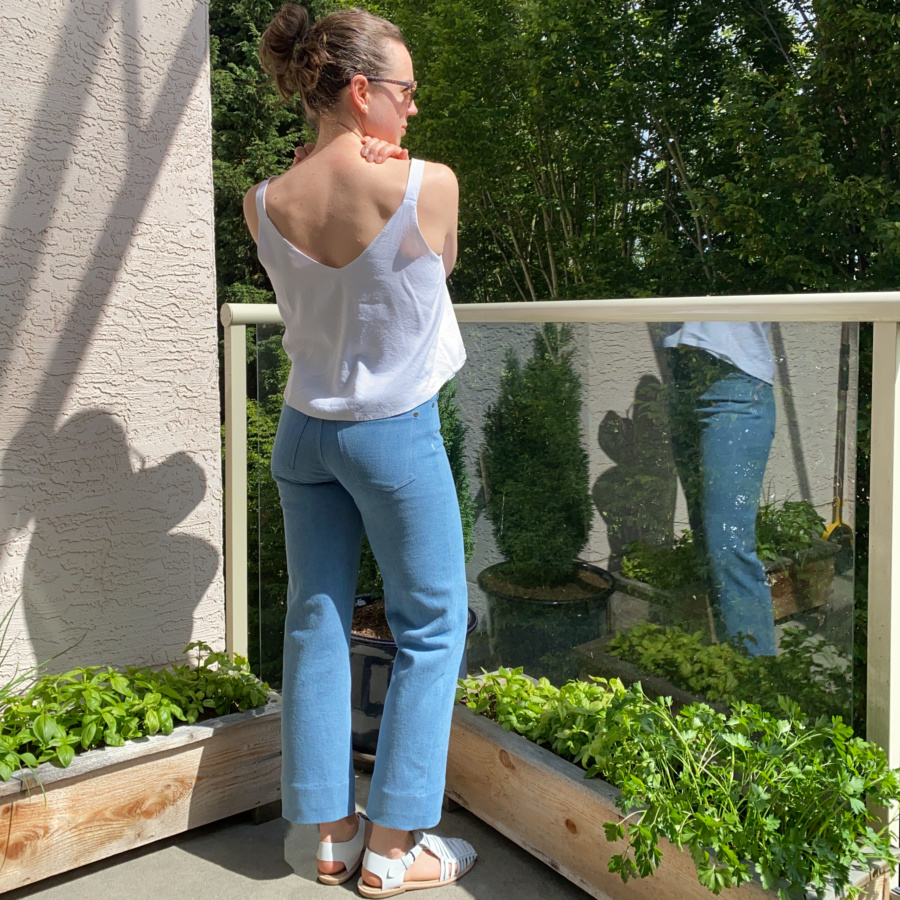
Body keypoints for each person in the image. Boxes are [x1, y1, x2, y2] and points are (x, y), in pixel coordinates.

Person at [242, 5, 477, 895]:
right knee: (431, 627)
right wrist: (397, 168)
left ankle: (332, 833)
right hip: (393, 432)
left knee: (314, 620)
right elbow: (439, 267)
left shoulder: (264, 198)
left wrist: (327, 165)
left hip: (305, 432)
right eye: (406, 91)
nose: (413, 110)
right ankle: (396, 846)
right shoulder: (430, 185)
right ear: (360, 88)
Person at [662, 322, 777, 656]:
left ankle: (756, 687)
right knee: (707, 542)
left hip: (735, 384)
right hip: (683, 380)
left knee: (727, 545)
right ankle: (723, 665)